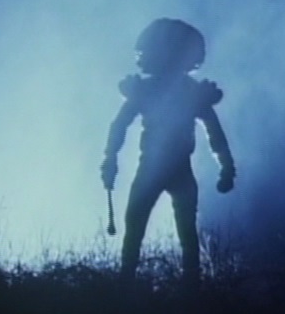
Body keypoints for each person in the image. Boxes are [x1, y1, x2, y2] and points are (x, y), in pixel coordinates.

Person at [100, 18, 235, 288]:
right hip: (176, 169)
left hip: (153, 168)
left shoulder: (146, 91)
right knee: (183, 230)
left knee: (138, 226)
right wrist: (226, 168)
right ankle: (189, 284)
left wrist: (111, 159)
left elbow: (119, 126)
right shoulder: (190, 93)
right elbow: (215, 134)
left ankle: (127, 282)